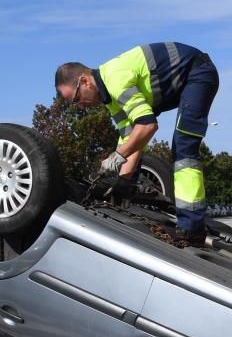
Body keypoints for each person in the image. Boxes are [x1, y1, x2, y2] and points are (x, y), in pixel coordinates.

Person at [55, 42, 219, 248]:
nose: (79, 106)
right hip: (182, 83)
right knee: (131, 160)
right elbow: (132, 138)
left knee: (184, 149)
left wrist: (116, 156)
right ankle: (129, 192)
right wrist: (123, 182)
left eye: (76, 99)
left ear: (85, 81)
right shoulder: (111, 100)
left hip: (198, 73)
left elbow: (148, 126)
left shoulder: (115, 80)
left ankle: (192, 228)